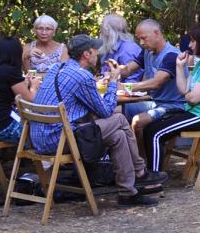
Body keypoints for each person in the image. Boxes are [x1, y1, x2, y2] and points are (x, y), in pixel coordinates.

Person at [35, 34, 167, 206]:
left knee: (118, 136)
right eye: (95, 50)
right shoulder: (82, 76)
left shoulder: (56, 68)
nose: (98, 53)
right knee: (119, 118)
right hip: (59, 140)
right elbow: (105, 111)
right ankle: (140, 171)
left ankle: (127, 192)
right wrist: (113, 81)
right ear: (87, 54)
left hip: (40, 137)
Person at [141, 25, 200, 175]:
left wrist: (188, 95)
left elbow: (193, 98)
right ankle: (151, 173)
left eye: (193, 41)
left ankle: (154, 178)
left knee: (155, 133)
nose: (189, 45)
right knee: (150, 127)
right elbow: (184, 91)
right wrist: (179, 67)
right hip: (192, 112)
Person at [113, 20, 186, 134]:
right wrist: (114, 72)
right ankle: (128, 150)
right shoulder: (148, 51)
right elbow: (128, 69)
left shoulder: (171, 55)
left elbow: (156, 83)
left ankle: (143, 152)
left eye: (144, 38)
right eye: (139, 39)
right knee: (112, 111)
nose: (141, 43)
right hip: (153, 102)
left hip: (173, 105)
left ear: (157, 33)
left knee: (138, 121)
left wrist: (124, 87)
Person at [99, 12, 144, 83]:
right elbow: (104, 73)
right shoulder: (110, 46)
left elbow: (132, 80)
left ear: (110, 33)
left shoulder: (129, 49)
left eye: (102, 30)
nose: (100, 33)